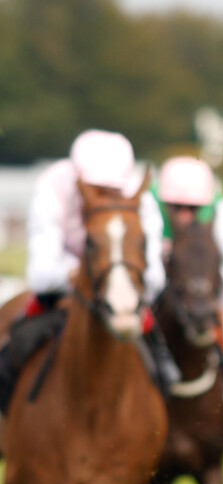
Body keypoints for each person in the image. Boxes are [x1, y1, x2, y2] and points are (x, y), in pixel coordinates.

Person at [0, 129, 177, 413]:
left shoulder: (139, 196)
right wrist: (87, 275)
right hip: (61, 291)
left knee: (163, 363)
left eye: (111, 189)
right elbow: (42, 275)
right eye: (94, 187)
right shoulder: (51, 189)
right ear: (78, 179)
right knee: (12, 351)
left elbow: (154, 277)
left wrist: (117, 278)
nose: (104, 196)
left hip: (122, 292)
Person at [152, 155, 223, 379]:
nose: (184, 214)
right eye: (176, 206)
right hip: (157, 299)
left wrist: (206, 278)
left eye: (192, 207)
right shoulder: (148, 209)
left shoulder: (222, 212)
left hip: (202, 301)